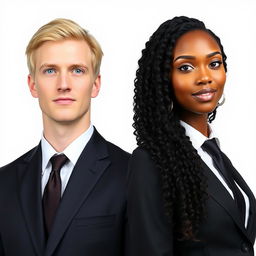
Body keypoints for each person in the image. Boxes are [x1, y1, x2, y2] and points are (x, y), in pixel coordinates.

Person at [127, 16, 256, 255]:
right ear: (163, 79)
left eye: (214, 64)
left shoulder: (214, 154)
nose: (205, 76)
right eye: (186, 67)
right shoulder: (150, 161)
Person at [0, 18, 130, 256]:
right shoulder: (3, 183)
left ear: (95, 84)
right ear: (33, 85)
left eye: (77, 70)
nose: (63, 84)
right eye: (50, 70)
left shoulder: (133, 174)